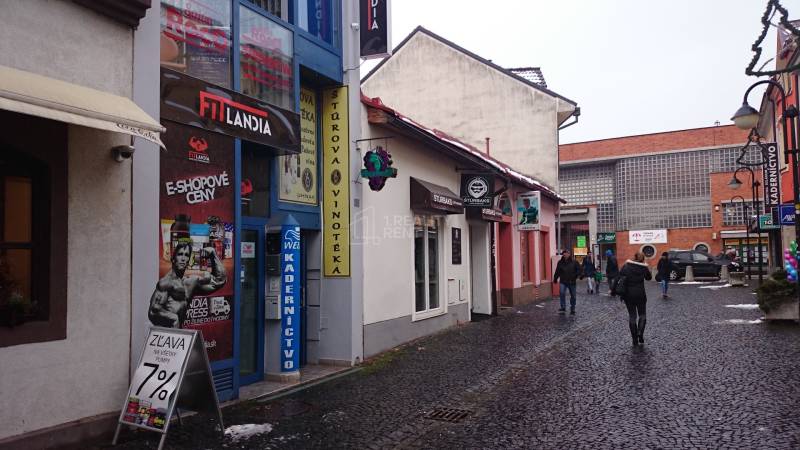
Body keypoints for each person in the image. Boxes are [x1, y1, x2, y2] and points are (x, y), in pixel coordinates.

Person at [149, 242, 227, 328]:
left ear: (189, 261)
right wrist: (173, 318)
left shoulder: (190, 282)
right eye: (180, 254)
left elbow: (220, 280)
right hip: (167, 334)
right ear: (173, 259)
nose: (183, 258)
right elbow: (153, 311)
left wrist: (213, 254)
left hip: (180, 333)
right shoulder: (166, 283)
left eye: (186, 255)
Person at [614, 252, 652, 346]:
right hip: (640, 294)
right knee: (642, 314)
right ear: (642, 259)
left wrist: (613, 289)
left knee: (632, 316)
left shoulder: (626, 266)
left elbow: (618, 278)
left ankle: (634, 339)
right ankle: (640, 333)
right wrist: (647, 268)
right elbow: (649, 278)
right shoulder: (643, 267)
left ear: (633, 257)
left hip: (628, 295)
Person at [553, 249, 581, 314]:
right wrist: (555, 278)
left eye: (566, 253)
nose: (565, 254)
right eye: (564, 253)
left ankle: (572, 308)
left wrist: (577, 275)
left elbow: (579, 270)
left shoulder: (574, 262)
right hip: (563, 281)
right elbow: (557, 271)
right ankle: (563, 307)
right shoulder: (560, 262)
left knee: (573, 296)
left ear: (569, 254)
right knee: (562, 292)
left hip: (572, 281)